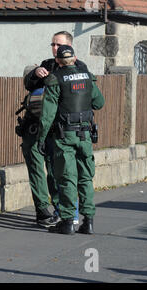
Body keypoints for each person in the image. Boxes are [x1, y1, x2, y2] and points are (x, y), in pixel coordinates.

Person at [36, 45, 105, 235]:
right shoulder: (87, 76)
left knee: (67, 178)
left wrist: (41, 138)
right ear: (74, 59)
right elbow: (99, 103)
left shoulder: (54, 79)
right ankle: (88, 221)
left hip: (64, 136)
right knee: (85, 178)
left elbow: (48, 114)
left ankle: (67, 222)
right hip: (85, 135)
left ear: (57, 61)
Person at [22, 31, 84, 227]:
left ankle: (63, 210)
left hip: (62, 129)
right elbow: (30, 85)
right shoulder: (47, 64)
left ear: (70, 47)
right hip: (38, 125)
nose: (55, 48)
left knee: (58, 171)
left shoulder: (79, 68)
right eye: (53, 45)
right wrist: (35, 73)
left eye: (59, 45)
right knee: (38, 167)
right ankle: (43, 211)